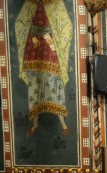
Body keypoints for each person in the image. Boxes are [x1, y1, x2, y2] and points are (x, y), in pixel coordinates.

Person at [15, 0, 73, 137]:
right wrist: (32, 36)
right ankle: (35, 123)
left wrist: (54, 38)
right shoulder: (30, 2)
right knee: (34, 85)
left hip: (50, 44)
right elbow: (20, 23)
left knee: (55, 82)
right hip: (33, 47)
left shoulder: (55, 2)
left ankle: (63, 123)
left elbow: (67, 25)